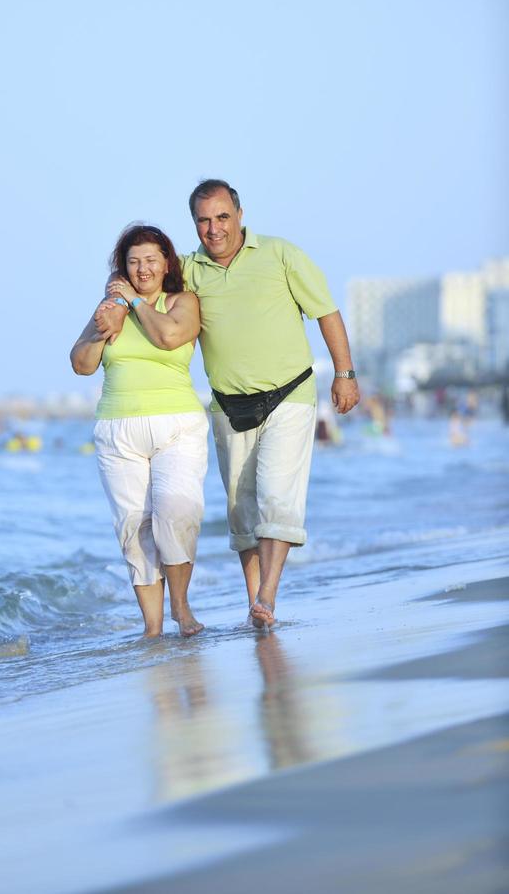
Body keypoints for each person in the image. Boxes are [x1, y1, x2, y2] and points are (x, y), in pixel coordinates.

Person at [97, 180, 359, 630]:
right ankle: (252, 600)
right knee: (242, 512)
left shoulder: (281, 254)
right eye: (203, 220)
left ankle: (267, 598)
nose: (214, 228)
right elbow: (144, 277)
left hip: (289, 394)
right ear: (194, 224)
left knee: (277, 498)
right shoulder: (191, 269)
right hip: (228, 405)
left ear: (239, 214)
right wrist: (119, 292)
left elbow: (325, 311)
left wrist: (345, 372)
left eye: (221, 217)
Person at [71, 224, 208, 639]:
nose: (142, 268)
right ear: (122, 267)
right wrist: (101, 327)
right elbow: (81, 364)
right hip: (117, 429)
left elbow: (168, 337)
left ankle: (181, 609)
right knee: (134, 529)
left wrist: (132, 302)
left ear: (167, 263)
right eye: (133, 262)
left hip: (177, 426)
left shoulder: (182, 302)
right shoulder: (110, 307)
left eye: (150, 260)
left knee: (175, 514)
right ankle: (152, 628)